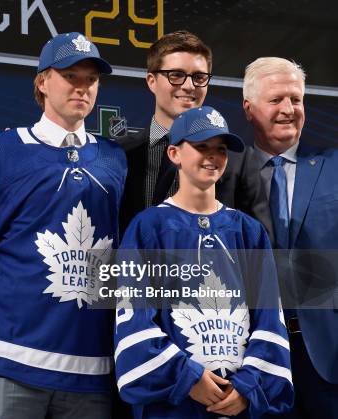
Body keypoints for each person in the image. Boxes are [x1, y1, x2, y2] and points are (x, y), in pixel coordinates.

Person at [0, 32, 126, 419]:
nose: (82, 87)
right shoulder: (3, 151)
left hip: (91, 365)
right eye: (70, 75)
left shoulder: (115, 158)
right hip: (11, 354)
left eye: (91, 79)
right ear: (42, 82)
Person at [115, 106, 293, 418]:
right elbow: (134, 317)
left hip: (237, 402)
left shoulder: (247, 231)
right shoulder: (148, 228)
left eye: (220, 150)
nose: (212, 157)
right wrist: (187, 378)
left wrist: (249, 386)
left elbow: (269, 317)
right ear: (174, 153)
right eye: (201, 147)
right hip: (173, 406)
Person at [243, 57, 338, 418]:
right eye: (276, 100)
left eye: (296, 99)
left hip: (327, 357)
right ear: (249, 109)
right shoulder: (223, 174)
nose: (288, 109)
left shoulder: (334, 166)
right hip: (252, 357)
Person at [116, 30, 271, 239]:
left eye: (199, 77)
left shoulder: (238, 160)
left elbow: (260, 247)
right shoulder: (117, 155)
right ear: (152, 81)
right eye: (176, 75)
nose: (189, 86)